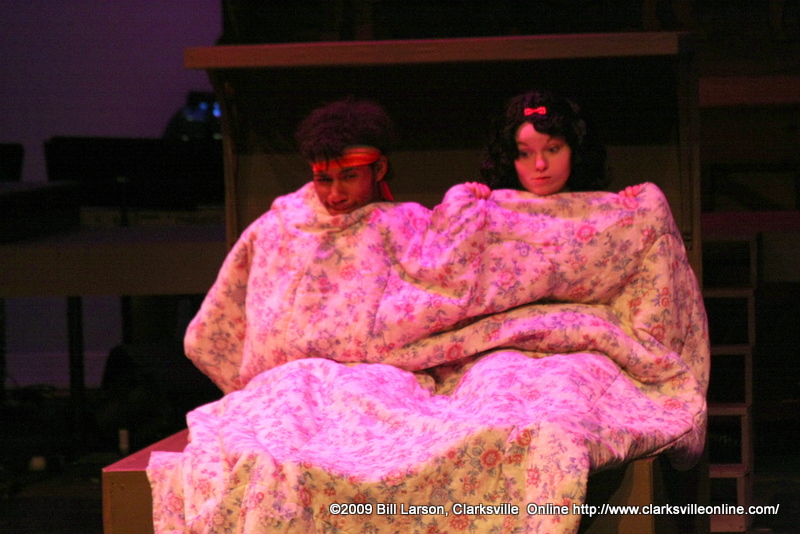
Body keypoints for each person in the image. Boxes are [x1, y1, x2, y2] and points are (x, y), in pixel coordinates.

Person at [463, 88, 640, 199]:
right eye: (524, 153)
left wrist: (630, 207)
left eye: (553, 149)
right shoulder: (489, 210)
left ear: (576, 151)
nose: (540, 164)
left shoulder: (601, 211)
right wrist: (469, 202)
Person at [295, 97, 396, 215]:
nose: (335, 197)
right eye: (324, 180)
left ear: (379, 169)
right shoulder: (287, 219)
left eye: (349, 177)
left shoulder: (410, 222)